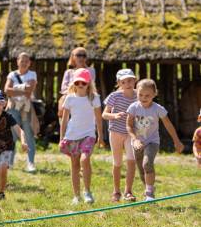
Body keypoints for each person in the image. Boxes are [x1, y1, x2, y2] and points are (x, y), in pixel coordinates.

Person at [126, 79, 184, 201]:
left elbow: (168, 124)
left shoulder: (158, 109)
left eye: (147, 95)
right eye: (140, 95)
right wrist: (135, 139)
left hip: (152, 141)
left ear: (154, 94)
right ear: (137, 93)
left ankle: (150, 194)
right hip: (137, 142)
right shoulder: (133, 107)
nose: (143, 98)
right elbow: (129, 126)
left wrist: (177, 141)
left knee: (147, 164)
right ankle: (147, 188)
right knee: (142, 169)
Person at [59, 68, 103, 205]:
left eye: (83, 83)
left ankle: (87, 191)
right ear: (73, 83)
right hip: (72, 135)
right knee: (75, 165)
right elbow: (65, 120)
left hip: (88, 135)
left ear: (88, 83)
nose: (80, 85)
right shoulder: (70, 98)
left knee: (85, 160)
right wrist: (61, 138)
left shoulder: (94, 98)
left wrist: (100, 136)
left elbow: (98, 118)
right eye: (77, 83)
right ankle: (76, 196)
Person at [102, 68, 137, 202]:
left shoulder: (138, 95)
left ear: (135, 80)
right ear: (119, 83)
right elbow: (104, 114)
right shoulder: (114, 96)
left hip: (131, 133)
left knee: (131, 161)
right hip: (116, 132)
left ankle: (128, 191)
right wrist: (114, 115)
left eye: (130, 80)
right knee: (117, 162)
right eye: (124, 81)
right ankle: (116, 191)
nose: (128, 83)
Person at [4, 52, 37, 172]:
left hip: (26, 108)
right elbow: (7, 90)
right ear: (17, 61)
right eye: (21, 60)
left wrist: (16, 89)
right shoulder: (12, 74)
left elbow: (30, 90)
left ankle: (31, 163)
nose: (23, 63)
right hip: (13, 107)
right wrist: (23, 88)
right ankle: (10, 162)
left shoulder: (32, 74)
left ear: (29, 63)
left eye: (26, 61)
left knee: (28, 135)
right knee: (12, 135)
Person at [58, 47, 96, 118]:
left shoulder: (91, 70)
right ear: (73, 57)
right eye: (78, 55)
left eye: (84, 55)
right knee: (63, 99)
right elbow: (63, 89)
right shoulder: (68, 72)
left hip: (86, 96)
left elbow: (91, 85)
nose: (81, 57)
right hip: (70, 96)